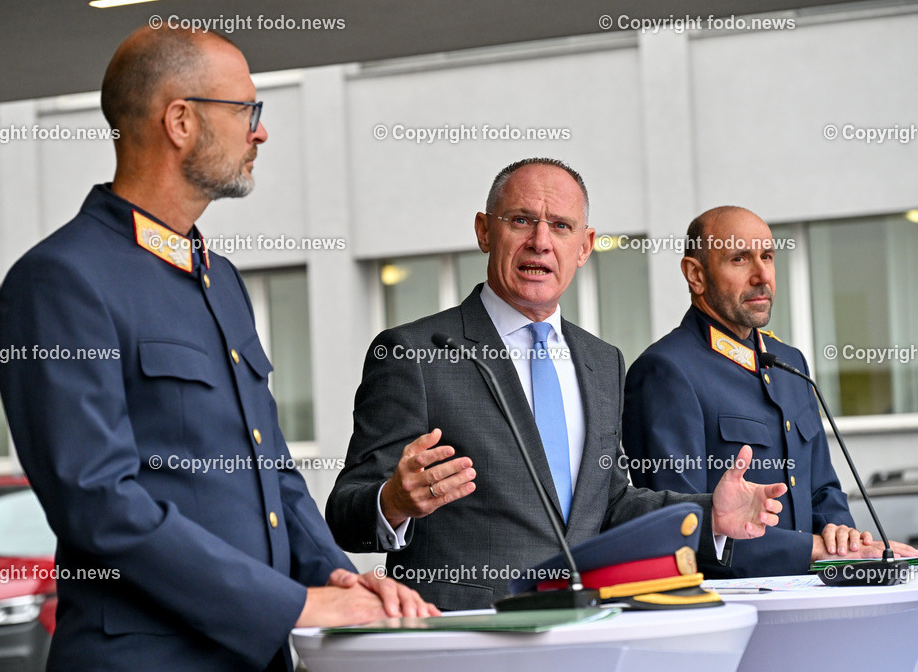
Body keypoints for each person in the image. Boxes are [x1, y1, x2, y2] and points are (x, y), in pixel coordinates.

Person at [0, 26, 435, 672]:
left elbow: (273, 469)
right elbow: (99, 502)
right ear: (180, 120)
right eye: (247, 111)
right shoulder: (61, 279)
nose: (260, 132)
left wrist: (341, 581)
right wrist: (290, 605)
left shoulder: (218, 277)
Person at [326, 159, 788, 610]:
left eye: (561, 226)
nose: (540, 242)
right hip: (466, 637)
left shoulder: (602, 362)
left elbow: (610, 503)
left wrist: (712, 515)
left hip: (583, 626)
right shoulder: (415, 353)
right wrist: (393, 501)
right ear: (485, 231)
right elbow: (346, 515)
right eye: (522, 220)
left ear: (585, 246)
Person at [622, 206, 918, 577]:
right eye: (739, 259)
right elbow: (678, 526)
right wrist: (810, 549)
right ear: (696, 275)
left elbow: (823, 487)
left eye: (767, 256)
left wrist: (842, 537)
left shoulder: (789, 364)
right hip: (731, 609)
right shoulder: (666, 370)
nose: (762, 275)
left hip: (814, 596)